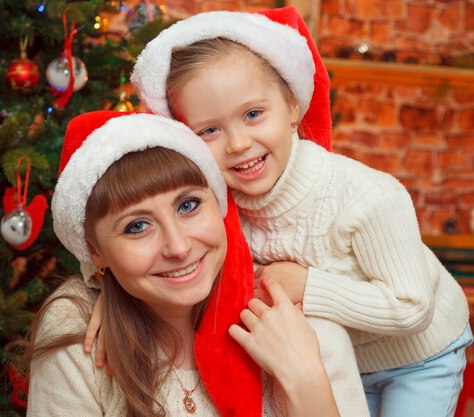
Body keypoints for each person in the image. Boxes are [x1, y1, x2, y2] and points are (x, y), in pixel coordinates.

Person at [130, 7, 473, 417]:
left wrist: (308, 287)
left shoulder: (367, 197)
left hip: (419, 356)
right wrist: (107, 295)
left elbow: (412, 307)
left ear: (293, 106)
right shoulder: (215, 205)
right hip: (341, 358)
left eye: (253, 114)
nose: (238, 143)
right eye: (210, 130)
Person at [24, 110, 341, 417]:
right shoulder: (76, 325)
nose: (178, 247)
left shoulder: (295, 308)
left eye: (188, 205)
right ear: (95, 252)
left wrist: (307, 380)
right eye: (137, 227)